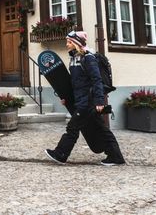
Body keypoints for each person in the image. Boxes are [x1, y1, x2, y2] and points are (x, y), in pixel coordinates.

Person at [45, 31, 125, 166]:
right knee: (101, 128)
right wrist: (67, 98)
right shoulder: (74, 59)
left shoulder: (88, 58)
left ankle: (61, 154)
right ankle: (116, 156)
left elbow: (97, 80)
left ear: (77, 43)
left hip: (89, 101)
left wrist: (99, 101)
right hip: (81, 100)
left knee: (73, 127)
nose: (67, 44)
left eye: (69, 42)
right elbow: (75, 83)